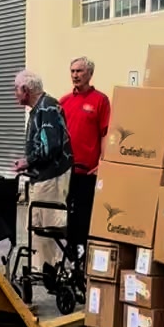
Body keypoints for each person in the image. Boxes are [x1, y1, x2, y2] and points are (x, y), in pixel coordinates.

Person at [12, 70, 73, 278]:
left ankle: (51, 270)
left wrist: (27, 161)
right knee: (36, 223)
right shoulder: (40, 108)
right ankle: (41, 269)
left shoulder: (46, 108)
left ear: (26, 90)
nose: (14, 94)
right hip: (43, 175)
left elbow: (50, 147)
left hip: (52, 176)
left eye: (16, 89)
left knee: (48, 226)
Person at [60, 56, 111, 256]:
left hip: (88, 171)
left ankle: (83, 255)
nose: (75, 75)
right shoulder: (64, 101)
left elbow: (105, 133)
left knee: (84, 215)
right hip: (66, 170)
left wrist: (103, 162)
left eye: (79, 71)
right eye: (72, 71)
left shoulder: (100, 100)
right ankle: (69, 255)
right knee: (67, 215)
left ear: (89, 74)